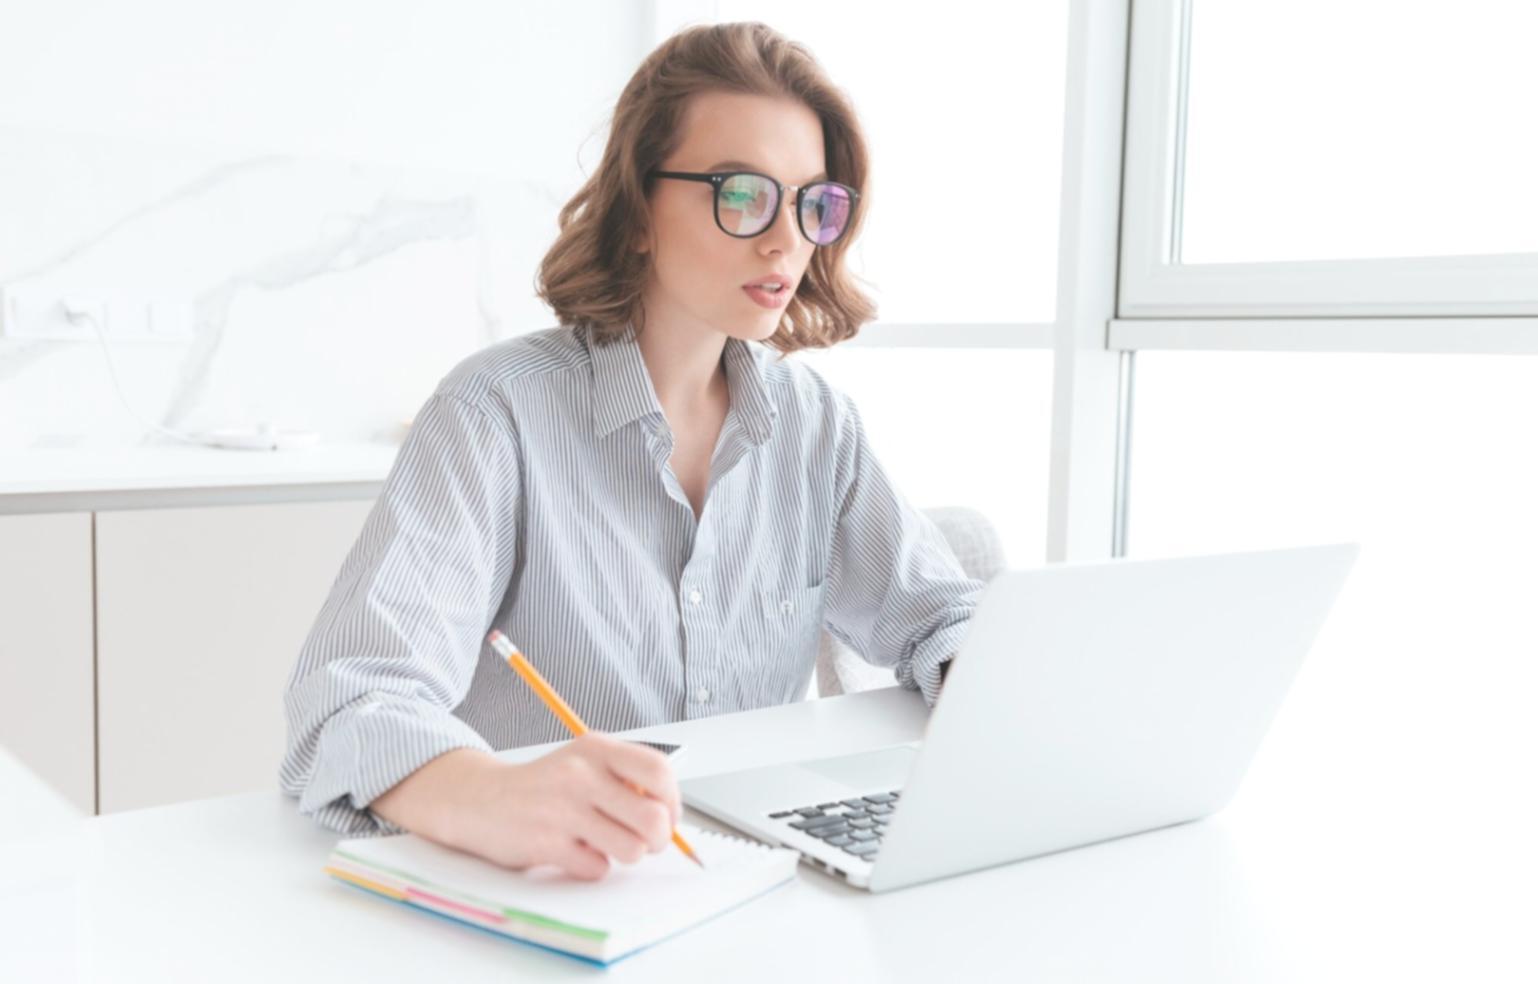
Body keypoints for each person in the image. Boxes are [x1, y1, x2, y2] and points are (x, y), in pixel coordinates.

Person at [279, 21, 984, 881]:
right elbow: (350, 698)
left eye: (812, 203)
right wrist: (486, 793)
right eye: (742, 195)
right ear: (639, 209)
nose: (785, 241)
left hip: (745, 879)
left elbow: (941, 616)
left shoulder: (815, 427)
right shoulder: (494, 413)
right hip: (545, 896)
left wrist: (989, 685)